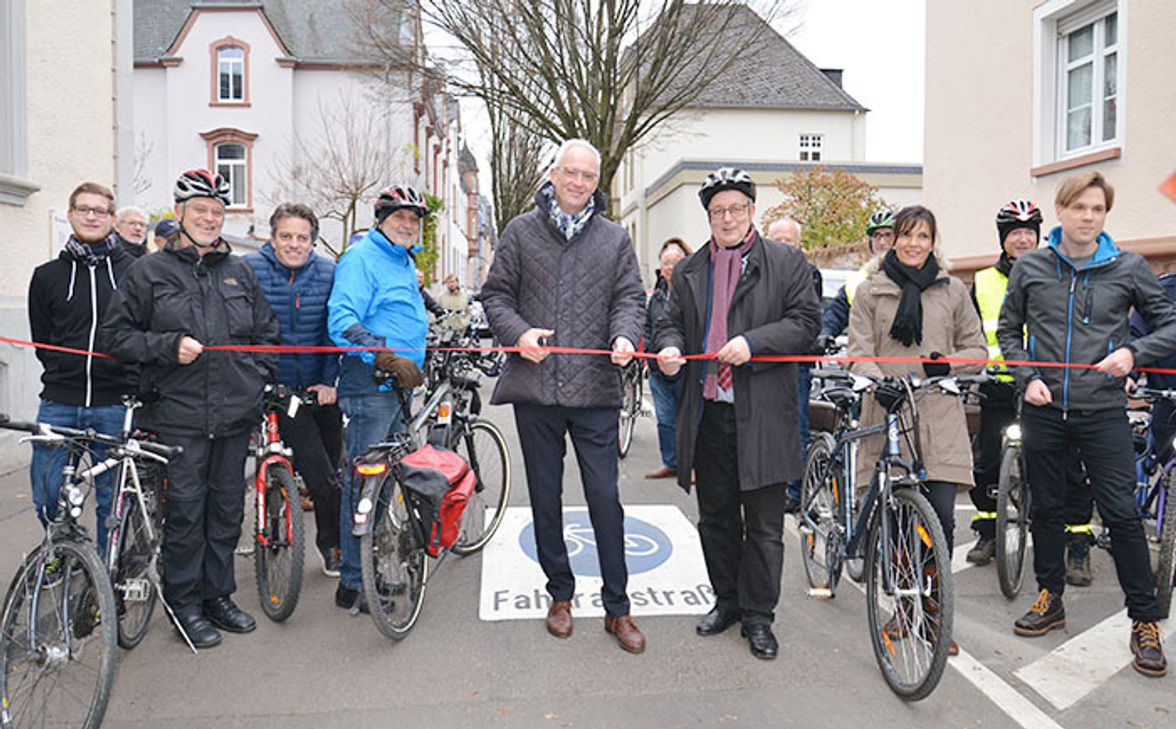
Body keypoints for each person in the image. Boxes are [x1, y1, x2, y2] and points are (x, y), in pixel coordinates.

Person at [998, 171, 1174, 677]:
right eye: (1080, 208)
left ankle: (1145, 621)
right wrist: (1026, 375)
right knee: (1047, 509)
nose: (1088, 217)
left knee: (1121, 513)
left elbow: (1169, 325)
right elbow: (1010, 330)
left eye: (1097, 210)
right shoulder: (1031, 267)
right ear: (1061, 210)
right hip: (1043, 409)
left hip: (1102, 412)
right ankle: (1050, 597)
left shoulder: (1129, 267)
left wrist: (1133, 353)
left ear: (1104, 215)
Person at [101, 169, 280, 648]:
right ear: (179, 214)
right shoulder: (148, 272)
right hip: (177, 415)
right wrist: (166, 345)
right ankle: (183, 604)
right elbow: (116, 337)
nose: (209, 218)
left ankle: (218, 595)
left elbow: (267, 336)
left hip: (234, 414)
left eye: (217, 211)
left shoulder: (239, 271)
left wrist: (254, 381)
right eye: (200, 209)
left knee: (225, 511)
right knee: (185, 515)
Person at [481, 139, 648, 654]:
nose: (578, 183)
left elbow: (630, 298)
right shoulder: (520, 231)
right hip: (537, 391)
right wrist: (519, 333)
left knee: (605, 499)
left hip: (596, 391)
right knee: (546, 500)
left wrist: (625, 336)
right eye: (571, 173)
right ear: (553, 173)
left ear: (598, 183)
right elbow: (495, 295)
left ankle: (617, 607)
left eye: (588, 176)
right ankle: (560, 594)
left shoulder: (615, 238)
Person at [655, 167, 821, 660]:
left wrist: (754, 343)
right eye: (717, 211)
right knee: (717, 520)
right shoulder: (688, 271)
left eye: (736, 209)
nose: (727, 218)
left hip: (764, 414)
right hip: (708, 415)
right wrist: (667, 348)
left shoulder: (787, 263)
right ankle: (726, 601)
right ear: (708, 217)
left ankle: (759, 616)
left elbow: (805, 324)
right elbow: (669, 322)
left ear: (752, 211)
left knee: (766, 526)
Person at [847, 204, 987, 656]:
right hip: (887, 411)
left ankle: (931, 610)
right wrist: (875, 378)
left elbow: (977, 348)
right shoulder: (871, 291)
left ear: (933, 242)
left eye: (922, 236)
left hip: (939, 413)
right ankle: (903, 610)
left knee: (941, 517)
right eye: (906, 234)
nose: (913, 243)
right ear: (893, 239)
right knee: (894, 517)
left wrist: (951, 365)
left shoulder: (953, 292)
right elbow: (859, 349)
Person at [965, 201, 1096, 586]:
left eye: (1029, 232)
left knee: (1067, 467)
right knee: (989, 462)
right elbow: (971, 332)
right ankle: (988, 530)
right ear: (1003, 239)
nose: (1022, 238)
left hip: (1048, 386)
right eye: (1014, 233)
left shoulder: (1058, 273)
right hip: (1000, 384)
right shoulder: (984, 280)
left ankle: (1077, 542)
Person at [328, 184, 429, 613]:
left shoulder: (402, 260)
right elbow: (342, 320)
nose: (407, 224)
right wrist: (385, 356)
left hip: (398, 389)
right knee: (363, 485)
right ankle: (355, 582)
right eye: (399, 218)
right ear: (381, 220)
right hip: (371, 386)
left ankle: (362, 574)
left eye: (413, 219)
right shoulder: (361, 259)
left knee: (384, 485)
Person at [28, 181, 137, 551]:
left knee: (112, 501)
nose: (92, 216)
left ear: (112, 218)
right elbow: (41, 336)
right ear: (71, 214)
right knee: (47, 495)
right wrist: (61, 371)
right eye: (84, 209)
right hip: (59, 401)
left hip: (113, 403)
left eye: (100, 210)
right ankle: (64, 548)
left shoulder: (135, 272)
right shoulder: (46, 276)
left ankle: (107, 577)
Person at [245, 203, 343, 578]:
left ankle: (331, 540)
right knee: (319, 473)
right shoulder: (249, 270)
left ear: (313, 241)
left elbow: (334, 333)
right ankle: (327, 545)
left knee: (331, 475)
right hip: (275, 388)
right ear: (272, 238)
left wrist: (330, 381)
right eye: (286, 236)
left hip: (319, 387)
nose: (294, 244)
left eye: (302, 237)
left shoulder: (328, 273)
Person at [766, 216, 822, 514]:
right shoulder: (758, 272)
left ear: (799, 244)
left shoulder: (808, 273)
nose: (783, 244)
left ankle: (797, 491)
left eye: (788, 239)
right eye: (777, 239)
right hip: (763, 362)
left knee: (796, 429)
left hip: (795, 364)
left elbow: (806, 320)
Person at [643, 237, 691, 480]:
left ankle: (691, 466)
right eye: (666, 262)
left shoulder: (694, 292)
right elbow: (649, 327)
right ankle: (671, 462)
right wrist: (651, 354)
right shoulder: (657, 296)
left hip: (685, 367)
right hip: (657, 370)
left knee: (687, 419)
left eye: (675, 261)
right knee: (665, 420)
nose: (670, 267)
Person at [820, 210, 896, 341]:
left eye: (888, 235)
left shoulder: (913, 272)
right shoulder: (858, 280)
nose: (882, 242)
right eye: (877, 236)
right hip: (867, 351)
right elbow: (837, 312)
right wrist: (825, 333)